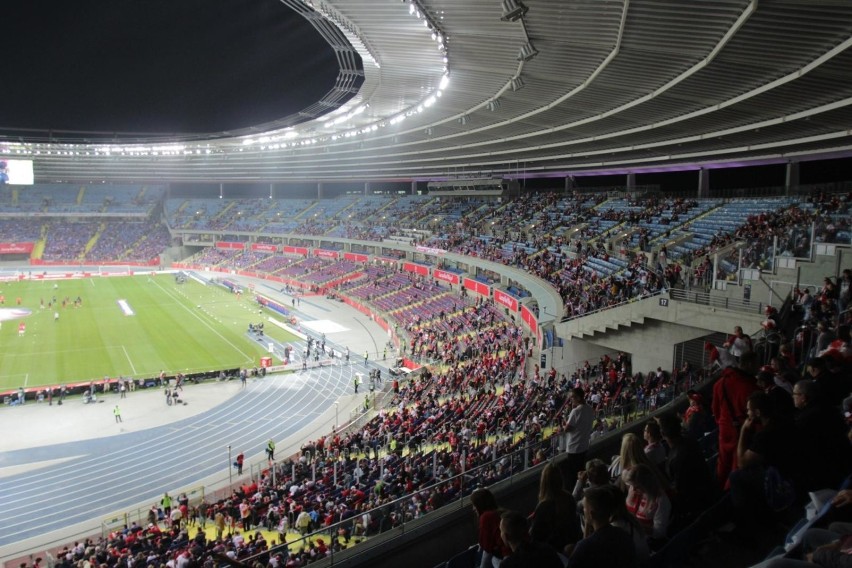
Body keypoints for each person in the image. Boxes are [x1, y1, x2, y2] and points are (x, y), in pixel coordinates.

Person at [712, 351, 760, 485]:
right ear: (749, 364)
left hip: (724, 429)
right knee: (736, 465)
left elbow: (715, 410)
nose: (759, 366)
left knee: (723, 464)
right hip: (742, 432)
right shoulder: (751, 387)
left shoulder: (719, 383)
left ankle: (719, 490)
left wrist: (723, 423)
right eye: (757, 363)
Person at [566, 485, 638, 568]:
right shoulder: (625, 536)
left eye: (585, 508)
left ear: (592, 514)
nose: (583, 510)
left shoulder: (585, 547)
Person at [530, 462, 581, 559]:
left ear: (544, 482)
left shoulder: (544, 506)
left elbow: (535, 537)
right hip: (569, 546)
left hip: (551, 553)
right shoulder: (569, 498)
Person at [560, 387, 595, 487]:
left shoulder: (576, 411)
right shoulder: (589, 408)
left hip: (574, 448)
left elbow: (567, 429)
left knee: (573, 477)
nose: (571, 400)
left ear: (578, 398)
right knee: (581, 473)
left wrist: (564, 425)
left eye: (572, 398)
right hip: (584, 446)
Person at [471, 488, 507, 568]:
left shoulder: (486, 517)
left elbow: (486, 547)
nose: (473, 508)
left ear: (479, 504)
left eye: (474, 505)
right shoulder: (500, 511)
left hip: (506, 558)